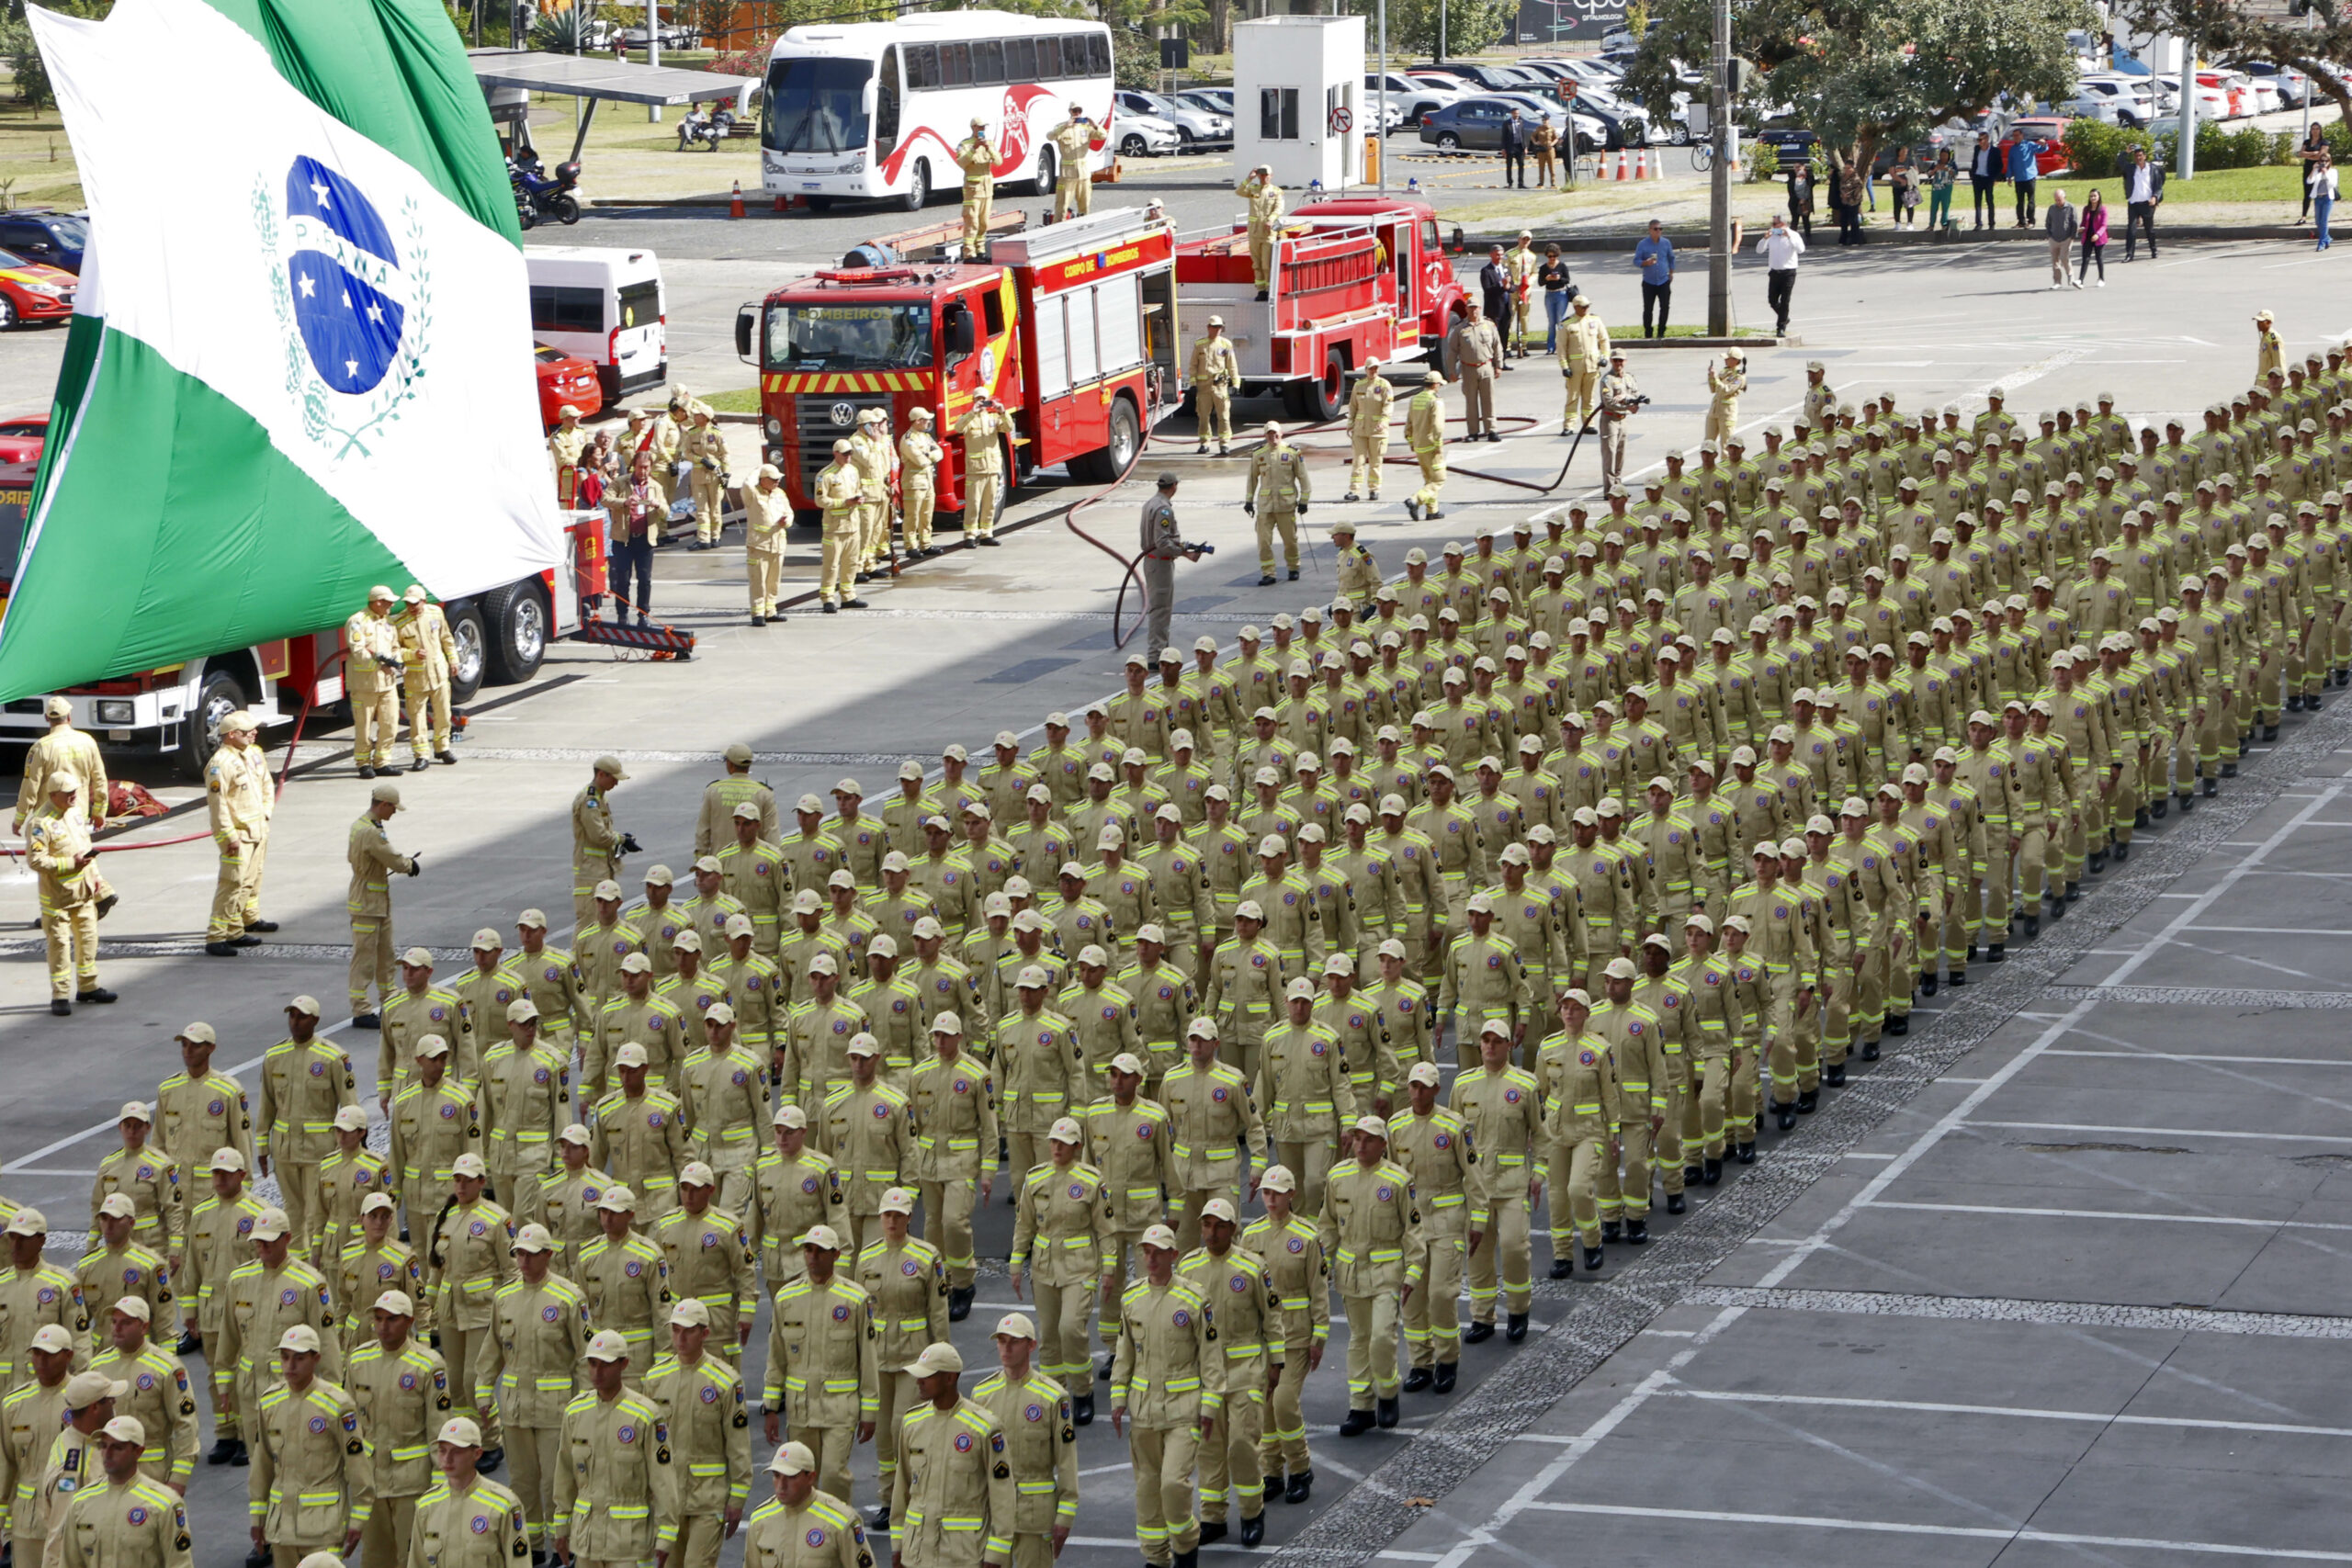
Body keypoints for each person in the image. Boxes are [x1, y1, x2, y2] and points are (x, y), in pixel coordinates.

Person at [1109, 1227, 1218, 1568]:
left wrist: (1211, 1404)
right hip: (1144, 1412)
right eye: (1146, 1252)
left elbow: (1211, 1356)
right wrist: (1117, 1398)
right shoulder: (1131, 1298)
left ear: (1174, 1255)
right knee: (1146, 1490)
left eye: (1158, 1252)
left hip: (1184, 1410)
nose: (1151, 1259)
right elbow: (1124, 1353)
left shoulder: (1194, 1300)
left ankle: (1186, 1549)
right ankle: (1156, 1559)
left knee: (1173, 1485)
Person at [552, 1330, 677, 1568]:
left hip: (628, 1543)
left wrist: (666, 1535)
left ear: (624, 1364)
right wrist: (561, 1526)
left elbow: (663, 1479)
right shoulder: (576, 1413)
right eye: (592, 1363)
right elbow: (565, 1473)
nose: (597, 1372)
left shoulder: (645, 1416)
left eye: (606, 1365)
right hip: (587, 1539)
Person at [248, 1324, 369, 1567]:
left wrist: (358, 1518)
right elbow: (262, 1463)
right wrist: (257, 1516)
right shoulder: (270, 1402)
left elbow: (357, 1464)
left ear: (316, 1359)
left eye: (299, 1358)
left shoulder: (337, 1405)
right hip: (282, 1527)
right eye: (285, 1357)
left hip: (323, 1525)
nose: (290, 1366)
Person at [345, 1289, 448, 1568]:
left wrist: (440, 1484)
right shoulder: (358, 1361)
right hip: (371, 1483)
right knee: (375, 1559)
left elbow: (438, 1430)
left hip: (411, 1484)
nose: (382, 1326)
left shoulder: (428, 1366)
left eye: (391, 1320)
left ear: (409, 1321)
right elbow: (349, 1427)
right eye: (378, 1319)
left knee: (413, 1559)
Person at [48, 1413, 191, 1568]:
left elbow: (180, 1564)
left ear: (138, 1452)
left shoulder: (165, 1504)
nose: (107, 1454)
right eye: (103, 1446)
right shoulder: (81, 1503)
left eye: (117, 1448)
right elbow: (69, 1563)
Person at [30, 772, 109, 1016]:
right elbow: (36, 860)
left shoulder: (75, 813)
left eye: (75, 791)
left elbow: (85, 848)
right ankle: (60, 995)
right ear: (54, 795)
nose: (74, 796)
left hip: (83, 894)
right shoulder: (40, 823)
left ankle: (88, 986)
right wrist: (69, 864)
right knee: (60, 947)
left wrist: (96, 879)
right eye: (68, 793)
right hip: (57, 900)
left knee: (88, 940)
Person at [408, 1416, 530, 1568]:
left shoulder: (503, 1505)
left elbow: (519, 1563)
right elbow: (417, 1562)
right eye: (442, 1451)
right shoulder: (427, 1506)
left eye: (456, 1452)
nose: (447, 1459)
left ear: (477, 1454)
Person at [202, 711, 274, 957]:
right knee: (231, 884)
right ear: (231, 735)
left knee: (252, 880)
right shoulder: (220, 764)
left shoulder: (254, 753)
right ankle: (216, 936)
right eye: (247, 731)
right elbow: (218, 805)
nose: (254, 733)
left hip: (258, 829)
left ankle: (236, 929)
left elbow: (267, 784)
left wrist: (266, 813)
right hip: (239, 836)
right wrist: (227, 837)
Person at [345, 781, 415, 1028]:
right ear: (383, 805)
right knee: (364, 958)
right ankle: (361, 1009)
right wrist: (409, 865)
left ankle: (389, 998)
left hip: (376, 901)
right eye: (392, 808)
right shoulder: (371, 832)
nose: (394, 812)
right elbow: (392, 858)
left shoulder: (364, 825)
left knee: (386, 954)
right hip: (366, 902)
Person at [742, 1439, 868, 1568]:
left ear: (810, 1478)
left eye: (791, 1477)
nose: (782, 1485)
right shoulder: (760, 1520)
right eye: (776, 1476)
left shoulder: (841, 1522)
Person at [1139, 474, 1205, 668]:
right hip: (1160, 563)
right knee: (1160, 610)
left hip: (1153, 562)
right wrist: (1185, 553)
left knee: (1159, 608)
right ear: (1174, 486)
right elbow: (1161, 542)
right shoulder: (1163, 509)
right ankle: (1156, 656)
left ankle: (1160, 652)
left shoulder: (1150, 503)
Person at [393, 585, 458, 772]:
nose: (412, 607)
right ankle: (421, 755)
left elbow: (446, 638)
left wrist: (454, 660)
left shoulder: (435, 613)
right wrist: (411, 654)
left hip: (438, 675)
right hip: (416, 679)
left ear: (424, 601)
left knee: (444, 714)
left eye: (415, 603)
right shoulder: (400, 622)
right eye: (408, 604)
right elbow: (394, 650)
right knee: (417, 719)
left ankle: (442, 748)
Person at [344, 587, 403, 779]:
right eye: (388, 602)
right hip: (364, 686)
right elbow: (358, 651)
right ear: (377, 602)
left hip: (387, 684)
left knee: (390, 724)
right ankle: (363, 763)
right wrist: (379, 667)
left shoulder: (388, 622)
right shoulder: (357, 622)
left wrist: (397, 661)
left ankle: (382, 762)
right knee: (364, 727)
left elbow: (395, 646)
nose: (392, 605)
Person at [1243, 423, 1310, 586]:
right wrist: (1248, 501)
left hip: (1286, 505)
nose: (1273, 438)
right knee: (1263, 541)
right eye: (1269, 435)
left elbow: (1304, 478)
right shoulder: (1259, 454)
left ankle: (1293, 568)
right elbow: (1251, 479)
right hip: (1265, 506)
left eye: (1276, 434)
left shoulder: (1292, 453)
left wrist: (1304, 501)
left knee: (1290, 540)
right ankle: (1268, 573)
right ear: (1265, 436)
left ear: (1281, 434)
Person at [956, 395, 1014, 547]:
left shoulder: (993, 418)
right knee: (973, 504)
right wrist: (971, 413)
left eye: (984, 399)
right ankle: (969, 536)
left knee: (990, 504)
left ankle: (987, 534)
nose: (982, 403)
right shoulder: (968, 419)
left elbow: (1008, 427)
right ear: (974, 401)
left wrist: (1002, 411)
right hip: (976, 470)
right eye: (978, 400)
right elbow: (958, 428)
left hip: (992, 469)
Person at [814, 438, 865, 615]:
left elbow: (858, 488)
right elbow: (820, 500)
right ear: (836, 453)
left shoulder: (853, 470)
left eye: (850, 453)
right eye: (845, 454)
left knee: (851, 563)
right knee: (831, 565)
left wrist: (859, 498)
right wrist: (844, 502)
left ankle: (848, 595)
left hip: (853, 525)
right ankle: (827, 598)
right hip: (834, 528)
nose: (848, 457)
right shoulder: (825, 475)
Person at [609, 450, 659, 626]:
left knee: (645, 580)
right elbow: (605, 498)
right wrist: (624, 502)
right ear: (634, 466)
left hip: (645, 540)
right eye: (640, 467)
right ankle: (622, 614)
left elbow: (667, 509)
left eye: (646, 468)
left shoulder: (655, 486)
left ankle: (643, 614)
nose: (643, 471)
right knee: (622, 578)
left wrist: (658, 505)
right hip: (624, 539)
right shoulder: (621, 482)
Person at [1446, 302, 1502, 442]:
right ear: (1466, 309)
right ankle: (1473, 432)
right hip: (1468, 368)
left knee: (1488, 400)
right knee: (1471, 402)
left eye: (1476, 307)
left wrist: (1499, 365)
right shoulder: (1460, 328)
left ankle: (1492, 430)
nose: (1473, 310)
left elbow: (1497, 346)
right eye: (1470, 307)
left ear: (1480, 308)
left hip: (1486, 366)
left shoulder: (1489, 326)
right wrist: (1452, 371)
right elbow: (1452, 351)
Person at [742, 463, 789, 627]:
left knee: (773, 581)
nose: (777, 482)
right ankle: (757, 613)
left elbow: (789, 512)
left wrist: (786, 521)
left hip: (777, 544)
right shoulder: (753, 494)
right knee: (758, 581)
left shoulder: (779, 494)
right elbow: (747, 484)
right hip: (759, 545)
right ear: (763, 480)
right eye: (773, 479)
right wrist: (757, 469)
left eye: (778, 479)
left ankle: (770, 611)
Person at [1188, 317, 1240, 457]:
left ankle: (1224, 444)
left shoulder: (1225, 344)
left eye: (1220, 327)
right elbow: (1193, 365)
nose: (1218, 329)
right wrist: (1192, 384)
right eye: (1215, 327)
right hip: (1203, 388)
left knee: (1224, 417)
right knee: (1203, 417)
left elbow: (1232, 365)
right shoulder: (1200, 345)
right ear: (1208, 327)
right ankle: (1204, 443)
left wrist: (1236, 383)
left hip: (1220, 387)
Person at [1557, 293, 1608, 435]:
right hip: (1575, 367)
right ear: (1576, 307)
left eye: (1587, 306)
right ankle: (1569, 426)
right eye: (1583, 307)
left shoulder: (1595, 320)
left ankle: (1588, 423)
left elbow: (1604, 340)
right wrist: (1564, 366)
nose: (1586, 309)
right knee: (1572, 397)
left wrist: (1604, 357)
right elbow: (1561, 348)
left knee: (1589, 397)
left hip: (1592, 365)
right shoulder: (1566, 324)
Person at [1344, 358, 1393, 502]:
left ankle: (1374, 489)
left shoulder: (1384, 385)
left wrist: (1383, 422)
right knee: (1358, 461)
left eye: (1376, 368)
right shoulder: (1359, 385)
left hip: (1377, 432)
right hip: (1360, 430)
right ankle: (1354, 490)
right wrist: (1350, 423)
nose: (1374, 371)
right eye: (1371, 368)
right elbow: (1353, 406)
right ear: (1365, 369)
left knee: (1375, 461)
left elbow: (1388, 405)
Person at [681, 404, 728, 549]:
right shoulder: (691, 433)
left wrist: (726, 473)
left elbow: (725, 454)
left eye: (697, 415)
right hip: (698, 476)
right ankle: (703, 539)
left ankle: (715, 536)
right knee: (702, 509)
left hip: (715, 476)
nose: (694, 417)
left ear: (706, 417)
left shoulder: (717, 433)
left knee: (715, 508)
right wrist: (700, 460)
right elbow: (686, 452)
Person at [899, 408, 943, 558]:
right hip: (914, 483)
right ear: (917, 421)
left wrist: (928, 454)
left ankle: (926, 544)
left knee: (927, 514)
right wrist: (930, 456)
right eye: (925, 420)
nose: (928, 422)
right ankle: (911, 546)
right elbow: (919, 460)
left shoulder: (926, 437)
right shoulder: (908, 439)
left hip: (928, 481)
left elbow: (940, 453)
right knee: (912, 516)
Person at [1406, 374, 1450, 523]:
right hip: (1431, 446)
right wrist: (1438, 445)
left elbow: (1409, 424)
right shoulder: (1435, 401)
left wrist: (1411, 441)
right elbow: (1438, 426)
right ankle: (1415, 500)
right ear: (1435, 385)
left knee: (1429, 480)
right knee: (1439, 479)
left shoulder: (1415, 399)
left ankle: (1432, 511)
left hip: (1418, 446)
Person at [1237, 166, 1283, 299]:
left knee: (1266, 264)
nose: (1264, 177)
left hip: (1268, 233)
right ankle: (1261, 290)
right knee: (1256, 264)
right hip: (1254, 233)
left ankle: (1270, 290)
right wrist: (1249, 178)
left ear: (1271, 175)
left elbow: (1279, 208)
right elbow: (1239, 191)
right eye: (1261, 175)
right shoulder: (1253, 189)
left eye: (1266, 175)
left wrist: (1271, 220)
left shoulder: (1276, 191)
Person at [1597, 351, 1641, 492]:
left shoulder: (1629, 378)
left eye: (1621, 360)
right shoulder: (1607, 380)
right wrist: (1627, 405)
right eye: (1615, 360)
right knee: (1610, 454)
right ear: (1611, 361)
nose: (1618, 363)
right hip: (1610, 420)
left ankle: (1618, 484)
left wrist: (1627, 398)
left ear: (1625, 361)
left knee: (1621, 454)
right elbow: (1608, 401)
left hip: (1623, 420)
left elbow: (1636, 394)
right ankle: (1610, 489)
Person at [1757, 213, 1804, 337]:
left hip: (1788, 272)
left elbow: (1801, 249)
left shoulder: (1794, 235)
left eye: (1775, 224)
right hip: (1774, 272)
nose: (1773, 227)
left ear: (1783, 224)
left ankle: (1781, 327)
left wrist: (1789, 237)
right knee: (1772, 300)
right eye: (1772, 224)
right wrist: (1765, 238)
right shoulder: (1772, 236)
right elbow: (1759, 250)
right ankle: (1784, 317)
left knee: (1785, 301)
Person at [1049, 103, 1099, 220]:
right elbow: (1050, 136)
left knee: (1085, 207)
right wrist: (1065, 126)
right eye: (1074, 111)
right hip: (1067, 176)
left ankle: (1084, 229)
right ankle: (1058, 230)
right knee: (1062, 207)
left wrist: (1095, 125)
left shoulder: (1086, 128)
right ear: (1070, 112)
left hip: (1084, 175)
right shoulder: (1062, 128)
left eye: (1079, 111)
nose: (1077, 113)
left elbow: (1102, 135)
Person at [956, 119, 997, 259]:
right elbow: (961, 163)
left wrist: (988, 149)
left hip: (987, 190)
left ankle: (981, 250)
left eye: (984, 127)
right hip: (972, 191)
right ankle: (969, 253)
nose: (982, 129)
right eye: (980, 127)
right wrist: (974, 148)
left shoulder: (989, 143)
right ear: (973, 127)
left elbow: (999, 161)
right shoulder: (965, 145)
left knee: (984, 222)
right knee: (972, 222)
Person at [1633, 219, 1674, 337]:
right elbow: (1636, 261)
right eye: (1655, 229)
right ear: (1650, 230)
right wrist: (1645, 263)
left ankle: (1661, 332)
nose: (1658, 231)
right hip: (1649, 282)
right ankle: (1648, 332)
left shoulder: (1666, 243)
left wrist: (1671, 273)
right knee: (1648, 309)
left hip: (1663, 280)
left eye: (1660, 229)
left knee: (1665, 307)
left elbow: (1671, 258)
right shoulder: (1643, 244)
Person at [2122, 144, 2164, 260]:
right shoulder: (2131, 168)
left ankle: (2153, 249)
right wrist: (2126, 152)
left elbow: (2159, 185)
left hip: (2147, 203)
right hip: (2134, 203)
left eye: (2140, 156)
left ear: (2145, 156)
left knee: (2149, 229)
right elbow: (2120, 162)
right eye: (2136, 156)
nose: (2138, 158)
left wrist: (2155, 196)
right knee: (2131, 229)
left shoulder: (2153, 169)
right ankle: (2129, 254)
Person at [1704, 349, 1745, 443]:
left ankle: (1725, 458)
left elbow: (1725, 390)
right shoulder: (1724, 372)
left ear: (1735, 360)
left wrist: (1715, 378)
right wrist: (1711, 377)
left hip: (1727, 413)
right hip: (1714, 411)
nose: (1725, 360)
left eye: (1728, 358)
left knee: (1726, 443)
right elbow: (1713, 389)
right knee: (1708, 442)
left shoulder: (1739, 376)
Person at [2007, 127, 2044, 228]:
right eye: (2014, 136)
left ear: (2022, 136)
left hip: (2030, 176)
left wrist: (2044, 144)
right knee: (2020, 201)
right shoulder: (2013, 149)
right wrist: (2009, 176)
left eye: (2017, 135)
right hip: (2019, 179)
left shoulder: (2029, 145)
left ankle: (2031, 220)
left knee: (2030, 200)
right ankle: (2021, 221)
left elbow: (2041, 149)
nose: (2015, 137)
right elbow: (2010, 163)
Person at [1537, 245, 1572, 351]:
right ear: (1547, 256)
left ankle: (1562, 345)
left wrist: (1559, 278)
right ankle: (1551, 347)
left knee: (1560, 320)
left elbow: (1567, 280)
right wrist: (1547, 279)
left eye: (1554, 256)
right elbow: (1540, 283)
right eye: (1550, 256)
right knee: (1551, 322)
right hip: (1549, 295)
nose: (1552, 258)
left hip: (1561, 294)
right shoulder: (1543, 268)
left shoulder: (1562, 266)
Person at [2044, 186, 2079, 288]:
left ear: (2064, 197)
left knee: (2064, 257)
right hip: (2054, 238)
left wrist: (2072, 237)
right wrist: (2049, 235)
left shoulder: (2071, 207)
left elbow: (2074, 222)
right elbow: (2048, 222)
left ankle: (2070, 275)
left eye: (2059, 200)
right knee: (2054, 260)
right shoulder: (2052, 208)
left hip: (2066, 238)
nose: (2058, 202)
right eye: (2056, 200)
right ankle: (2057, 281)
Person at [1968, 130, 2003, 230]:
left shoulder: (1994, 151)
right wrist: (1973, 176)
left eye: (1981, 139)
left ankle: (1991, 223)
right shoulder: (1977, 149)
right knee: (1977, 201)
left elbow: (1999, 166)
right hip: (1978, 178)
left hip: (1988, 178)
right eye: (1978, 140)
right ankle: (1978, 223)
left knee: (1989, 200)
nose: (1979, 142)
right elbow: (1974, 163)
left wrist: (1994, 177)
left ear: (1987, 139)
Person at [2077, 188, 2109, 287]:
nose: (2093, 198)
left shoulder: (2103, 209)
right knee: (2085, 259)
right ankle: (2080, 280)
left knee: (2099, 258)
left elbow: (2104, 225)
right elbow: (2083, 222)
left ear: (2099, 197)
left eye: (2095, 196)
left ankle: (2101, 278)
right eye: (2091, 196)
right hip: (2087, 236)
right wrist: (2081, 228)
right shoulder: (2086, 209)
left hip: (2099, 238)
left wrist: (2098, 234)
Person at [1477, 244, 1510, 328]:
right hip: (1493, 310)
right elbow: (1487, 289)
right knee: (1492, 335)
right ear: (1491, 255)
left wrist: (1509, 286)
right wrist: (1501, 284)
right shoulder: (1486, 271)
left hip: (1506, 309)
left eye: (1502, 255)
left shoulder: (1505, 269)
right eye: (1497, 255)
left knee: (1504, 335)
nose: (1500, 257)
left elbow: (1511, 286)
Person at [1927, 147, 1956, 231]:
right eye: (1942, 155)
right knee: (1934, 206)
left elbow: (1955, 173)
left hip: (1947, 187)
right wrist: (1935, 170)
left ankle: (1944, 224)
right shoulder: (1935, 163)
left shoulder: (1952, 164)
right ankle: (1931, 225)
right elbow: (1929, 173)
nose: (1943, 157)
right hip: (1936, 188)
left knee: (1945, 206)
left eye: (1945, 155)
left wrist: (1948, 169)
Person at [2312, 151, 2337, 251]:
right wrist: (2313, 170)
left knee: (2324, 221)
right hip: (2318, 198)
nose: (2324, 162)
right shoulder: (2316, 171)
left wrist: (2325, 173)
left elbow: (2333, 184)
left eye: (2326, 161)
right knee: (2318, 221)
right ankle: (2327, 238)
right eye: (2322, 160)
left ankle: (2321, 243)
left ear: (2329, 161)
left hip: (2327, 198)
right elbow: (2309, 181)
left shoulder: (2333, 171)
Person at [1784, 158, 1813, 238]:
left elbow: (1811, 185)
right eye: (1795, 167)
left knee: (1806, 221)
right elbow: (1791, 192)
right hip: (1794, 202)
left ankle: (1808, 238)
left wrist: (1805, 175)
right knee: (1795, 220)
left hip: (1806, 202)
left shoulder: (1808, 177)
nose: (1797, 169)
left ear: (1803, 167)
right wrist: (1799, 200)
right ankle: (1792, 238)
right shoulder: (1792, 179)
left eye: (1799, 167)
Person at [1499, 109, 1528, 188]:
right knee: (1509, 165)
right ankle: (1510, 183)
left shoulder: (1521, 122)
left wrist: (1525, 146)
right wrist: (1503, 148)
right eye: (1515, 113)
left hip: (1519, 146)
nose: (1517, 115)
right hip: (1510, 146)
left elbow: (1523, 135)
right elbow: (1503, 136)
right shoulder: (1506, 123)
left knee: (1521, 164)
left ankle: (1521, 183)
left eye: (1518, 113)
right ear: (1512, 114)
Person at [1530, 115, 1560, 186]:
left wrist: (1552, 144)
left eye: (1546, 120)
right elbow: (1532, 136)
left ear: (1548, 120)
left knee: (1551, 167)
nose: (1544, 121)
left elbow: (1556, 138)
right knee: (1541, 167)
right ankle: (1541, 181)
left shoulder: (1552, 129)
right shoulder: (1539, 128)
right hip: (1541, 149)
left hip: (1549, 149)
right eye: (1543, 120)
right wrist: (1535, 142)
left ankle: (1553, 182)